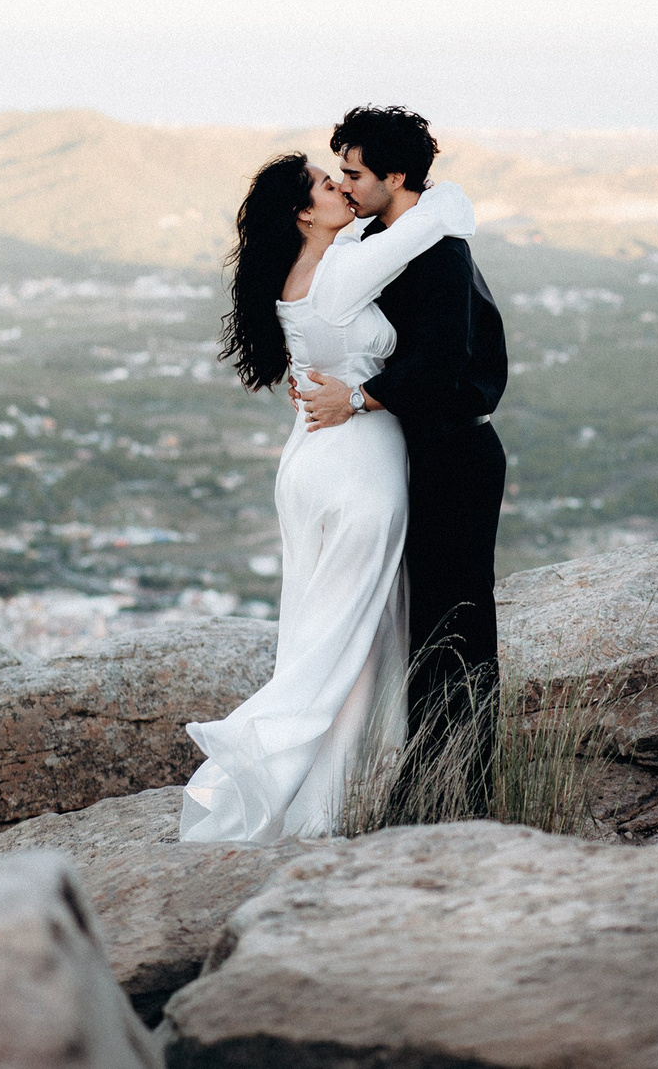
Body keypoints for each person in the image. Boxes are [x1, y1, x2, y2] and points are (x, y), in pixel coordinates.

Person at [178, 149, 477, 842]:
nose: (340, 186)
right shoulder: (339, 272)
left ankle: (330, 796)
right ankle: (288, 780)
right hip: (358, 472)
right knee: (346, 647)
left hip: (311, 465)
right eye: (326, 181)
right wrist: (410, 181)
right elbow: (447, 214)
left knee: (326, 634)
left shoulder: (291, 280)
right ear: (304, 212)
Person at [294, 107, 508, 786]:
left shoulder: (441, 252)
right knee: (424, 622)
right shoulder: (384, 237)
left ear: (395, 174)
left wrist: (356, 398)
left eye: (354, 173)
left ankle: (461, 783)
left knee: (459, 623)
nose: (346, 185)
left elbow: (442, 364)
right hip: (421, 456)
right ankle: (421, 776)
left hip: (457, 458)